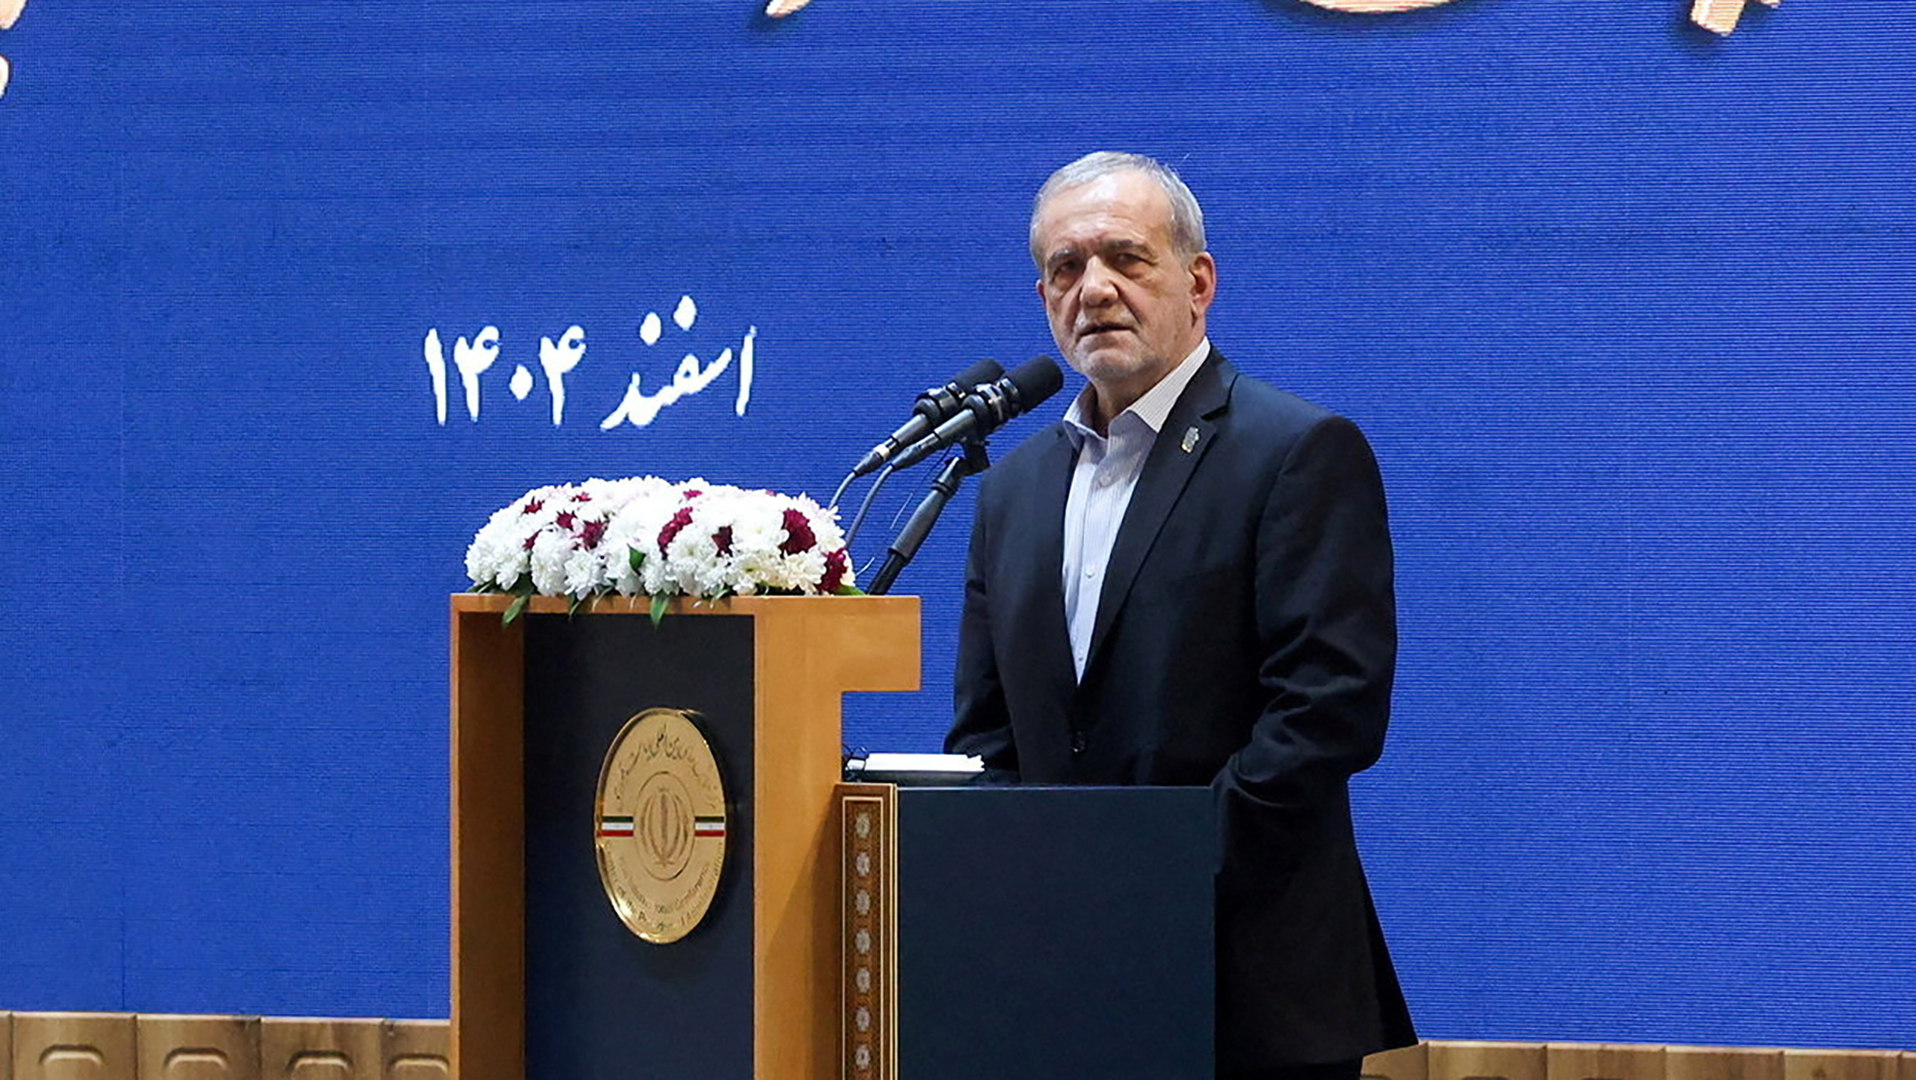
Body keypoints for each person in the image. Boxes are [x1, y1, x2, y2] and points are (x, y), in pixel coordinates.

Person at [945, 151, 1417, 1080]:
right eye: (1066, 267)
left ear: (1198, 283)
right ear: (1043, 297)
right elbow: (987, 734)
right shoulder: (1012, 490)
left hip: (1251, 990)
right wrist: (1027, 885)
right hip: (1059, 989)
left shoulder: (1296, 451)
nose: (1095, 289)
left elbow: (1328, 712)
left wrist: (1155, 873)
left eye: (1126, 258)